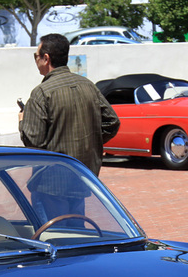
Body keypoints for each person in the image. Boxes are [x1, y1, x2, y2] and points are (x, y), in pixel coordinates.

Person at [18, 33, 120, 223]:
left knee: (54, 237)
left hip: (50, 184)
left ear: (46, 58)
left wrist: (23, 121)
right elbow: (112, 122)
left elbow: (34, 141)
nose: (36, 61)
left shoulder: (42, 93)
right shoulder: (87, 85)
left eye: (36, 56)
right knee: (77, 235)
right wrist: (88, 143)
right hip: (81, 176)